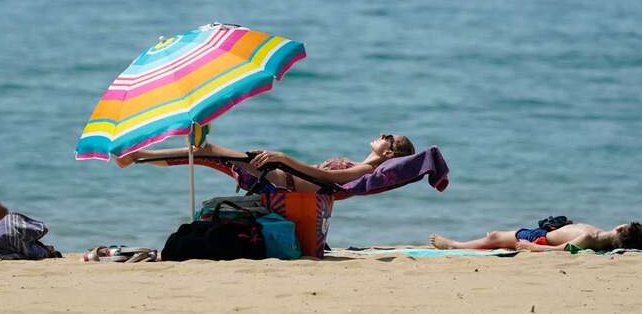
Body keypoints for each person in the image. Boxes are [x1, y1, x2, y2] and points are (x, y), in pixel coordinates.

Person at [115, 133, 416, 192]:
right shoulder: (358, 164)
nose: (381, 134)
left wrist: (283, 159)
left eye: (387, 137)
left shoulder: (364, 169)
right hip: (281, 175)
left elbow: (324, 180)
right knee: (207, 152)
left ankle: (138, 157)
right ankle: (139, 157)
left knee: (208, 152)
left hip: (280, 181)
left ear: (388, 154)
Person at [429, 221, 642, 252]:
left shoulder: (588, 238)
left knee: (495, 237)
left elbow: (561, 250)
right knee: (498, 238)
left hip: (540, 238)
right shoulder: (597, 236)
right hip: (549, 232)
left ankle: (454, 245)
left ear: (621, 230)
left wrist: (530, 246)